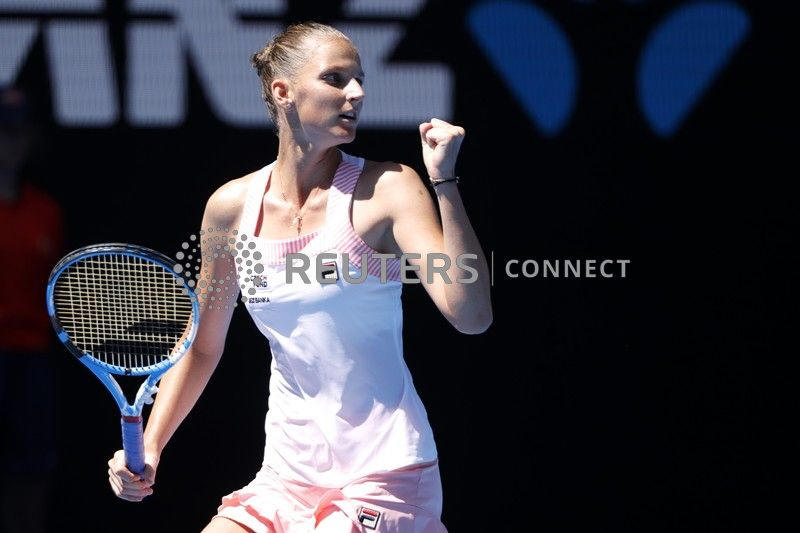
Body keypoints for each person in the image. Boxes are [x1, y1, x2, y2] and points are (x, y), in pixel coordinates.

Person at [107, 22, 492, 532]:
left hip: (385, 471)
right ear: (283, 91)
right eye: (335, 78)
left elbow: (471, 316)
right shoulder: (230, 210)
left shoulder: (389, 189)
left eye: (359, 80)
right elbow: (201, 346)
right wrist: (151, 445)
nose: (356, 93)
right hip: (286, 476)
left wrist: (444, 181)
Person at [0, 86, 63, 533]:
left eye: (17, 132)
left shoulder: (46, 211)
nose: (10, 142)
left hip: (32, 359)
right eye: (3, 131)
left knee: (31, 469)